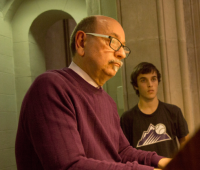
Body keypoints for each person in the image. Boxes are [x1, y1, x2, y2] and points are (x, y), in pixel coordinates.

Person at [15, 15, 171, 170]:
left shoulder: (108, 101)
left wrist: (161, 161)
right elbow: (70, 165)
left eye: (123, 47)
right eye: (114, 42)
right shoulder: (51, 87)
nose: (122, 54)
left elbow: (122, 151)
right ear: (82, 42)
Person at [120, 62, 189, 158]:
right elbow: (124, 152)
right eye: (143, 80)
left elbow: (185, 142)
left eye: (153, 79)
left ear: (158, 82)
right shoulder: (127, 118)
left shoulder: (174, 111)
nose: (150, 84)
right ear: (136, 85)